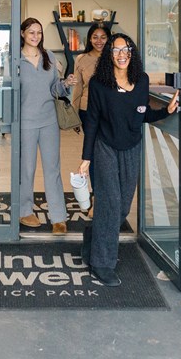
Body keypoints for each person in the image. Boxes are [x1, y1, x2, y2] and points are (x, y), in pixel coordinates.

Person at [77, 33, 179, 286]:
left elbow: (141, 115)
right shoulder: (99, 84)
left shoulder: (141, 81)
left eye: (126, 50)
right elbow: (91, 122)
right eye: (115, 50)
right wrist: (86, 158)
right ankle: (102, 264)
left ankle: (92, 237)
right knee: (111, 205)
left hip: (131, 147)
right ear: (108, 55)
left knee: (122, 207)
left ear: (132, 53)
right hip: (105, 147)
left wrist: (165, 111)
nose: (121, 55)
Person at [19, 17, 77, 235]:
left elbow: (55, 90)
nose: (36, 36)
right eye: (31, 32)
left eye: (39, 33)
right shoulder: (15, 60)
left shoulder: (49, 57)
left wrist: (65, 85)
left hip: (49, 121)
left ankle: (58, 217)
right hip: (25, 123)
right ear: (23, 33)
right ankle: (25, 211)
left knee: (53, 169)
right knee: (27, 169)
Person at [71, 24, 110, 218]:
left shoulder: (114, 57)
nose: (99, 41)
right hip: (88, 112)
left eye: (103, 37)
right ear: (89, 39)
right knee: (92, 155)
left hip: (110, 113)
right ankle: (95, 199)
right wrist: (75, 115)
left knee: (108, 155)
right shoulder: (82, 59)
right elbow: (77, 90)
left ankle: (107, 196)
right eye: (95, 37)